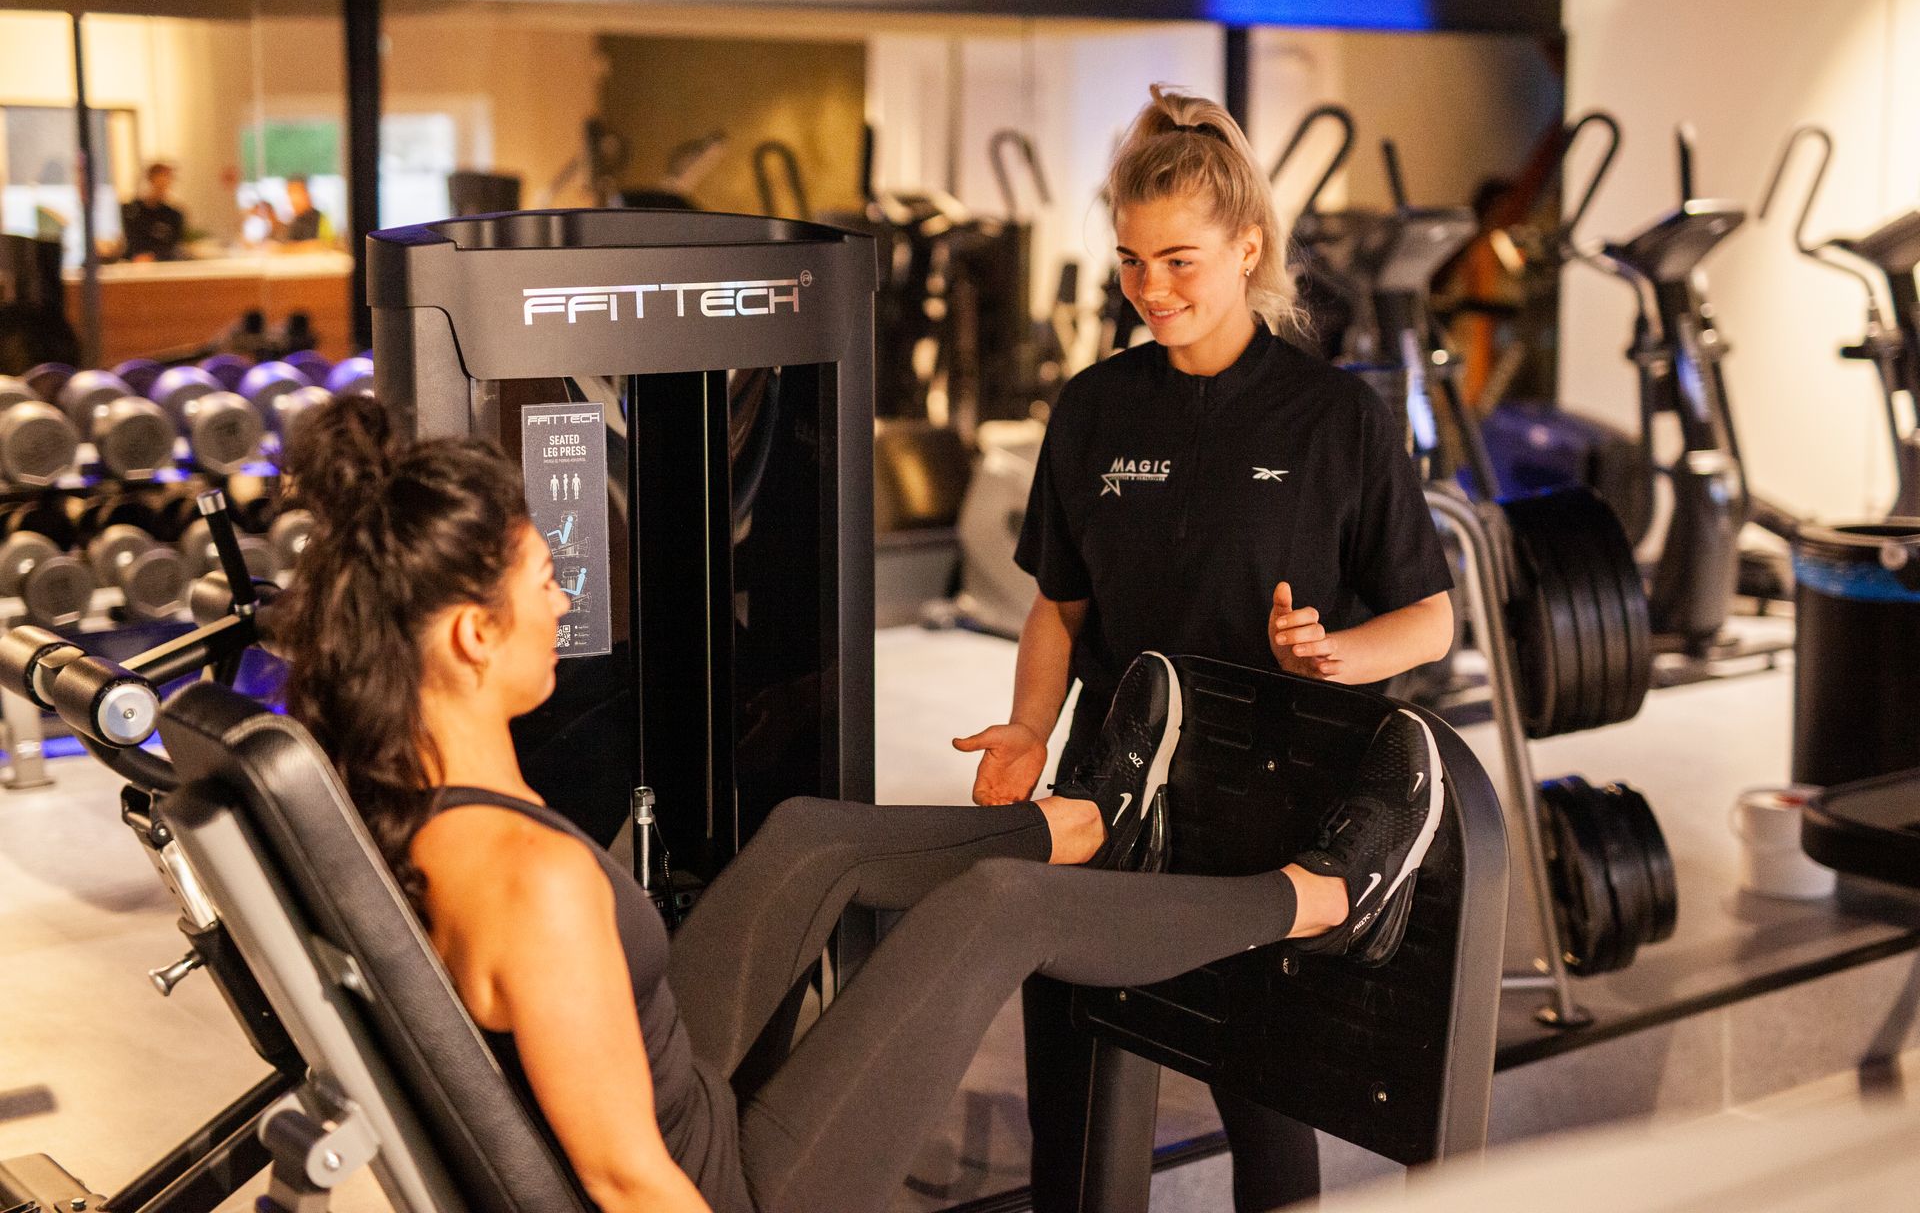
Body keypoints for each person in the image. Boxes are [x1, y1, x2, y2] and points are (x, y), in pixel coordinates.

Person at [273, 394, 1447, 1213]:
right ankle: (1327, 894)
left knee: (806, 841)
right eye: (544, 579)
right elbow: (632, 1178)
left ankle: (1084, 818)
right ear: (473, 634)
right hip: (725, 1184)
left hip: (668, 1063)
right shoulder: (532, 885)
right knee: (996, 911)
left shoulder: (413, 784)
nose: (568, 590)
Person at [953, 85, 1456, 1212]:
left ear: (1249, 244)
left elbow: (1431, 618)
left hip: (1265, 795)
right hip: (1108, 782)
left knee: (1264, 1101)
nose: (1151, 289)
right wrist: (1031, 726)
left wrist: (1336, 654)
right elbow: (1060, 608)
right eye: (1132, 261)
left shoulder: (1336, 419)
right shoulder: (1091, 409)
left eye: (1179, 260)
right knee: (1074, 1085)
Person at [121, 162, 187, 261]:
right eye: (160, 179)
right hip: (133, 263)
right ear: (151, 179)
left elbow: (173, 245)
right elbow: (131, 239)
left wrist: (153, 257)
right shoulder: (132, 210)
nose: (163, 184)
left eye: (167, 179)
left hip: (162, 265)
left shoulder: (174, 215)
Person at [275, 175, 335, 245]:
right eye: (290, 192)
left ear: (307, 192)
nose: (292, 199)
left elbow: (328, 245)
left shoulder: (321, 219)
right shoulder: (294, 221)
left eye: (296, 192)